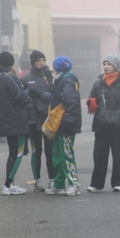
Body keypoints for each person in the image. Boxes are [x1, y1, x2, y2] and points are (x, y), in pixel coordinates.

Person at [86, 54, 120, 193]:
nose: (106, 67)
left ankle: (118, 183)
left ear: (116, 66)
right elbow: (92, 97)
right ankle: (96, 184)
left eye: (109, 64)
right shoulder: (98, 83)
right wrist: (91, 102)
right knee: (99, 155)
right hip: (101, 125)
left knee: (118, 155)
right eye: (104, 64)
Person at [0, 51, 31, 195]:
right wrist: (28, 93)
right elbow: (22, 98)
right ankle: (7, 185)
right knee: (18, 153)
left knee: (12, 153)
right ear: (11, 63)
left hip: (3, 122)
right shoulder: (10, 78)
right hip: (16, 122)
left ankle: (10, 182)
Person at [42, 56, 82, 196]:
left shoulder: (66, 80)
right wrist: (41, 95)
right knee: (57, 155)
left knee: (66, 155)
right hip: (59, 124)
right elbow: (58, 99)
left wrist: (68, 123)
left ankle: (73, 184)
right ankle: (58, 185)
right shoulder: (62, 79)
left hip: (64, 124)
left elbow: (70, 102)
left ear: (57, 67)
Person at [21, 50, 54, 192]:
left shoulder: (50, 76)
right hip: (33, 120)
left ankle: (52, 179)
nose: (41, 63)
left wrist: (51, 80)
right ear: (33, 63)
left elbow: (56, 95)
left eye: (43, 60)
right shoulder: (26, 78)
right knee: (37, 150)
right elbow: (21, 99)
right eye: (38, 60)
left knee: (50, 150)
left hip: (48, 119)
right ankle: (37, 180)